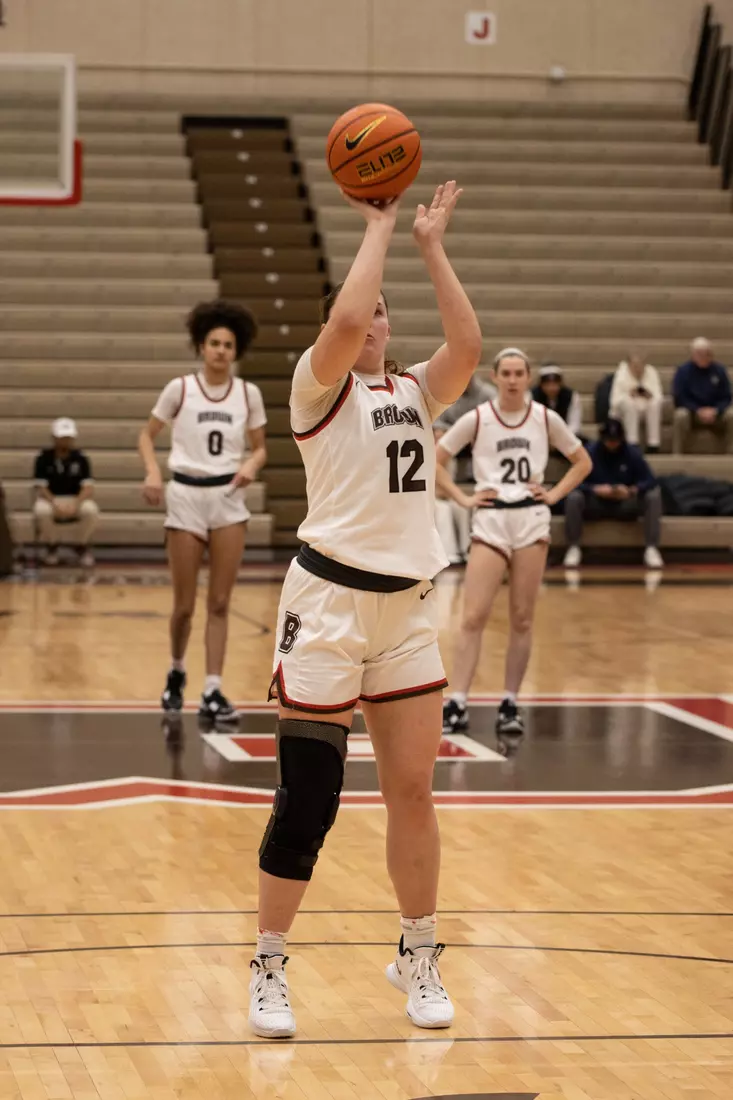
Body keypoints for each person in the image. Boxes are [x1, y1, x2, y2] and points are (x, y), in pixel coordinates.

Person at [249, 181, 482, 1039]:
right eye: (363, 307)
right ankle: (270, 962)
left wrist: (428, 245)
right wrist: (378, 224)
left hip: (405, 613)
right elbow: (342, 327)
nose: (373, 319)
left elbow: (467, 342)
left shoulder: (419, 391)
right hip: (327, 607)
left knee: (413, 790)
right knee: (308, 797)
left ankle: (416, 954)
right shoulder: (317, 391)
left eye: (384, 311)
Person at [438, 349, 591, 742]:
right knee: (473, 616)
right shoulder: (479, 417)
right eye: (505, 373)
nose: (511, 379)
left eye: (518, 373)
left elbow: (582, 462)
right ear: (495, 376)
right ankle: (457, 699)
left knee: (522, 618)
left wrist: (554, 495)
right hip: (490, 519)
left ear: (528, 377)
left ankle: (509, 700)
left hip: (531, 519)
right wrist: (463, 497)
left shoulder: (544, 417)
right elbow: (434, 458)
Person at [138, 300, 267, 725]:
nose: (220, 351)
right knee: (183, 606)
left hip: (228, 498)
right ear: (201, 346)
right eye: (214, 343)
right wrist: (153, 472)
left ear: (237, 349)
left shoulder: (248, 394)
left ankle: (213, 688)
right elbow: (146, 434)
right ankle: (176, 670)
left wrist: (252, 463)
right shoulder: (180, 389)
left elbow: (261, 446)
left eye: (228, 345)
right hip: (186, 496)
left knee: (221, 601)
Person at [563, 418, 663, 569]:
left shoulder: (632, 453)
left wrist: (631, 490)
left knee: (653, 496)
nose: (612, 444)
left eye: (615, 440)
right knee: (573, 497)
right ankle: (573, 547)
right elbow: (573, 482)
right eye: (609, 440)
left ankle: (651, 548)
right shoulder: (589, 453)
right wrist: (594, 489)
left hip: (624, 503)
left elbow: (650, 480)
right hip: (596, 502)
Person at [433, 377, 495, 564]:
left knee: (459, 507)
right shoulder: (443, 391)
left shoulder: (487, 394)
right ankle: (449, 553)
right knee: (445, 509)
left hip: (478, 438)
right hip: (428, 497)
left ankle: (466, 551)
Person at [33, 418, 99, 567]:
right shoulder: (43, 458)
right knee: (41, 511)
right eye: (62, 438)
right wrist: (54, 503)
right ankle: (52, 546)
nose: (65, 441)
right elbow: (41, 487)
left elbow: (87, 486)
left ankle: (80, 545)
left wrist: (76, 503)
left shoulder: (81, 458)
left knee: (91, 510)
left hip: (74, 498)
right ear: (54, 438)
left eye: (68, 438)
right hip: (50, 498)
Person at [673, 337, 733, 454]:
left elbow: (727, 396)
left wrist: (716, 410)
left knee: (732, 415)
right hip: (692, 413)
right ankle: (678, 455)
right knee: (680, 415)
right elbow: (679, 397)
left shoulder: (719, 371)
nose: (703, 357)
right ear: (693, 355)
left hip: (716, 413)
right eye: (699, 354)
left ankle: (730, 454)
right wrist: (697, 410)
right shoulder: (683, 371)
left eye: (706, 353)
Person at [610, 351, 663, 452]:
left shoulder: (651, 372)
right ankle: (633, 442)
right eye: (635, 366)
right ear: (629, 365)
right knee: (629, 403)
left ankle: (653, 443)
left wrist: (647, 394)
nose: (638, 369)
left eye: (640, 365)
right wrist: (631, 393)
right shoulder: (621, 374)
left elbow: (658, 395)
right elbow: (615, 400)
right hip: (625, 408)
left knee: (655, 403)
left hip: (645, 405)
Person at [531, 362, 582, 437]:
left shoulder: (571, 396)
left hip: (566, 438)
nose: (551, 388)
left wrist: (559, 439)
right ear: (541, 385)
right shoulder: (532, 396)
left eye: (555, 384)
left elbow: (574, 425)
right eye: (547, 384)